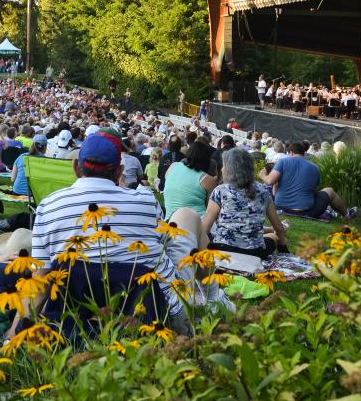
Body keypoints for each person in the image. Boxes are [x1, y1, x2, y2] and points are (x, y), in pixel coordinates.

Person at [29, 131, 231, 336]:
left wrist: (14, 335)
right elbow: (165, 243)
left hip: (78, 320)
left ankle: (211, 298)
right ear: (119, 172)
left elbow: (39, 281)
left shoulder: (48, 206)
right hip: (160, 315)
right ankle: (213, 297)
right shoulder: (144, 200)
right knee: (187, 215)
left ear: (75, 168)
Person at [202, 148, 287, 259]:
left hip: (223, 251)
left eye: (224, 165)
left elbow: (205, 228)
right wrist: (283, 246)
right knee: (273, 236)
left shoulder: (220, 191)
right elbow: (279, 228)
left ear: (230, 169)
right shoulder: (263, 191)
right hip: (254, 254)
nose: (222, 169)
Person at [264, 141, 355, 219]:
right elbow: (314, 191)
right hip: (307, 211)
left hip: (280, 208)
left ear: (291, 152)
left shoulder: (283, 161)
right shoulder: (315, 167)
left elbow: (269, 181)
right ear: (303, 153)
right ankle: (347, 215)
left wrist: (262, 175)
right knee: (329, 191)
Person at [162, 141, 218, 219]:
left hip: (170, 222)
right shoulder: (207, 179)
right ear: (207, 159)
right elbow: (212, 208)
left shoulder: (173, 166)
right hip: (196, 224)